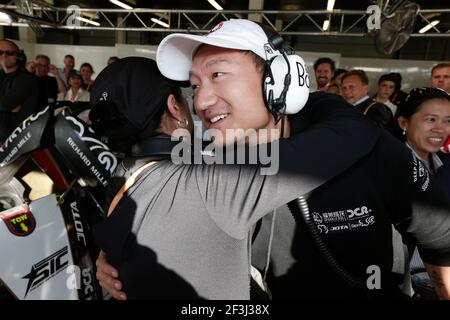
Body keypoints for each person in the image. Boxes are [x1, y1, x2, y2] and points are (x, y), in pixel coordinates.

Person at [97, 19, 450, 300]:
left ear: (277, 82)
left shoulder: (368, 151)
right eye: (195, 85)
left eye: (218, 74)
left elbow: (440, 240)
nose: (202, 100)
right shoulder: (201, 169)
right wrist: (119, 258)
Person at [395, 87, 450, 299]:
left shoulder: (443, 166)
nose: (440, 129)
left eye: (447, 121)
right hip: (412, 280)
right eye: (431, 119)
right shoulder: (391, 168)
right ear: (403, 123)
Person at [0, 39, 39, 143]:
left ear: (19, 56)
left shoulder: (26, 79)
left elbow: (4, 104)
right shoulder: (2, 77)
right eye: (0, 52)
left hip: (16, 138)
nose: (4, 56)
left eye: (9, 52)